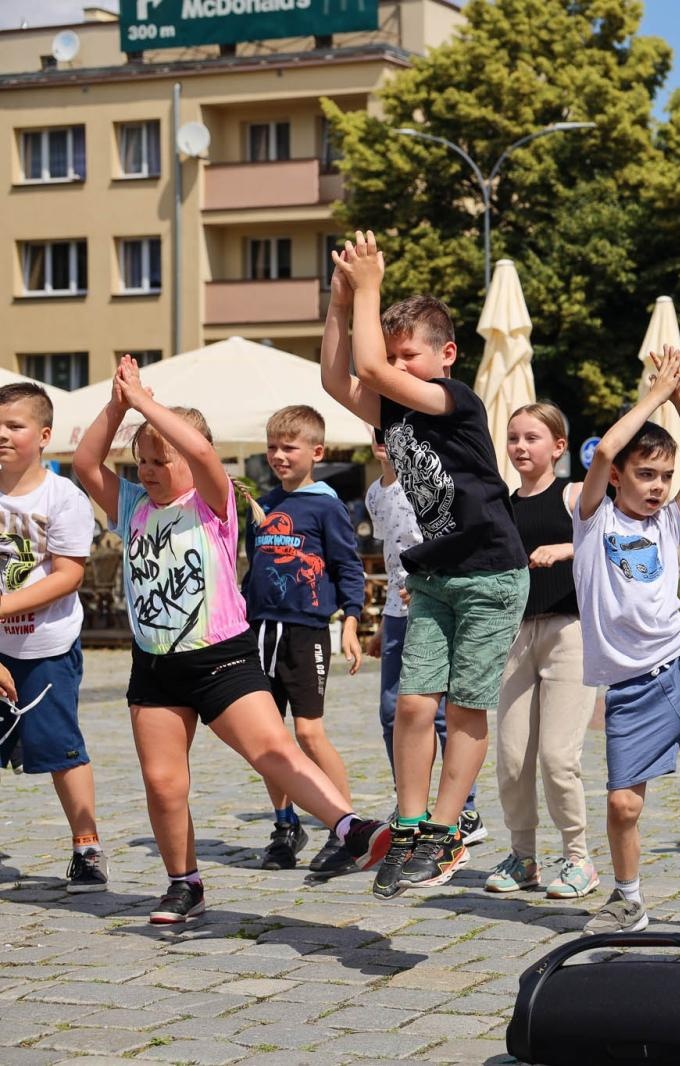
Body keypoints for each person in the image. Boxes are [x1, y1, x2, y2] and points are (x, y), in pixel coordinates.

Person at [73, 355, 390, 924]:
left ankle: (351, 828)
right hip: (155, 665)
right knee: (164, 781)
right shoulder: (132, 506)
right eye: (140, 460)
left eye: (158, 459)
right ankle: (183, 883)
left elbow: (197, 452)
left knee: (274, 751)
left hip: (222, 658)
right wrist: (119, 405)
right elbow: (85, 461)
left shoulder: (213, 502)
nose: (146, 470)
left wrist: (149, 404)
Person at [323, 233, 528, 897]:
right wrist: (340, 299)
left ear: (445, 356)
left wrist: (372, 285)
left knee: (465, 706)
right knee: (413, 705)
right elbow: (335, 378)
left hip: (491, 571)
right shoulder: (392, 410)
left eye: (407, 355)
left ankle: (445, 832)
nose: (393, 367)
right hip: (434, 574)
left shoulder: (457, 401)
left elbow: (373, 373)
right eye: (391, 357)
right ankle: (410, 825)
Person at [572, 346, 680, 933]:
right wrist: (652, 396)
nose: (658, 486)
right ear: (619, 474)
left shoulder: (670, 520)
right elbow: (603, 451)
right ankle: (628, 899)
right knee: (623, 805)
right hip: (629, 687)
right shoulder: (594, 517)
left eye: (664, 476)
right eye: (646, 474)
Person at [244, 404, 366, 873]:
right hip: (259, 630)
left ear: (316, 451)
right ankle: (284, 825)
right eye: (272, 447)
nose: (278, 455)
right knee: (266, 737)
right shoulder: (264, 504)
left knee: (308, 732)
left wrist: (351, 621)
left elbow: (348, 567)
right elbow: (252, 567)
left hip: (306, 631)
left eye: (288, 447)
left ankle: (349, 830)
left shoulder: (326, 505)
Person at [485, 402, 599, 900]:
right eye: (513, 438)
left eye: (531, 438)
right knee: (511, 758)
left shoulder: (573, 495)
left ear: (558, 447)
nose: (519, 447)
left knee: (557, 756)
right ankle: (523, 858)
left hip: (568, 634)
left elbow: (614, 539)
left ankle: (579, 859)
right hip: (514, 637)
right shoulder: (502, 506)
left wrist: (566, 548)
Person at [0, 381, 105, 892]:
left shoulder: (64, 497)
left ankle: (87, 849)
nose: (2, 435)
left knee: (60, 749)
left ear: (43, 435)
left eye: (14, 426)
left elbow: (67, 574)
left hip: (46, 645)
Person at [364, 433, 484, 842]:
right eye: (376, 434)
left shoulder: (429, 483)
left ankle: (463, 809)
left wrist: (429, 583)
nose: (381, 441)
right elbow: (391, 557)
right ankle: (410, 801)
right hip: (397, 615)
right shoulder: (375, 495)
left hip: (431, 607)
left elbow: (450, 542)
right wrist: (383, 623)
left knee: (440, 714)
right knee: (390, 712)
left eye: (388, 435)